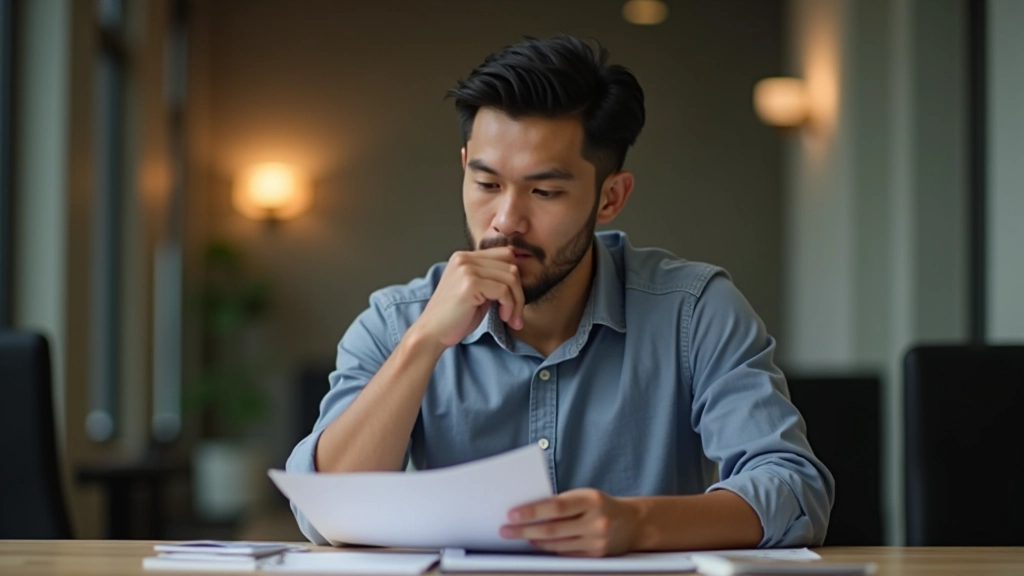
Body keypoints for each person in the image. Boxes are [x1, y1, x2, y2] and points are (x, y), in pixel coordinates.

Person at [286, 34, 833, 557]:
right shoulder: (395, 321)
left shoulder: (694, 310)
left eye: (545, 191)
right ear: (463, 170)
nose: (505, 220)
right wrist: (424, 342)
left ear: (610, 197)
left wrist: (637, 523)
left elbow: (794, 490)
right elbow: (326, 516)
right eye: (486, 184)